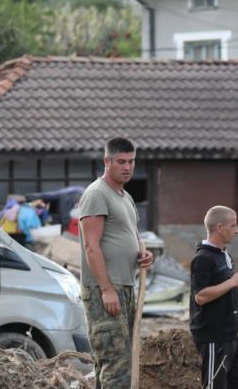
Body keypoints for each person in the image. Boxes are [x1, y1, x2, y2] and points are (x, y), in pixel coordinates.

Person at [78, 137, 154, 389]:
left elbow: (133, 235)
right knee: (116, 364)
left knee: (117, 363)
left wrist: (143, 253)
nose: (127, 167)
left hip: (126, 287)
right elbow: (91, 246)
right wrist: (107, 289)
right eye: (121, 162)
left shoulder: (125, 197)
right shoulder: (97, 194)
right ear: (106, 162)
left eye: (131, 161)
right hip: (105, 291)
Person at [189, 206, 238, 389]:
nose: (237, 230)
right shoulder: (203, 259)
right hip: (212, 337)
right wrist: (232, 283)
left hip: (230, 334)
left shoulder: (225, 255)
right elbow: (200, 296)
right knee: (214, 385)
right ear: (219, 228)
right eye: (233, 226)